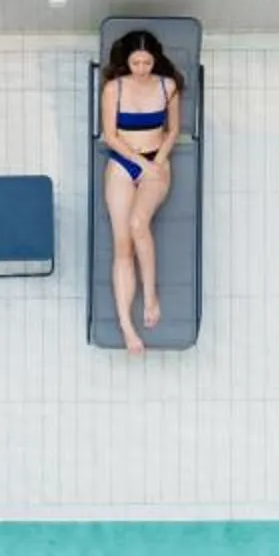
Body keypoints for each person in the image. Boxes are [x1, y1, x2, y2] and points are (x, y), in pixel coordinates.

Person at [99, 30, 188, 355]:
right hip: (124, 161)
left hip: (157, 160)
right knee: (122, 245)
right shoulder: (114, 88)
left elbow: (173, 129)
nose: (140, 68)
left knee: (139, 225)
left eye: (146, 62)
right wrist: (139, 163)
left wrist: (158, 161)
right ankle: (127, 325)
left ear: (155, 59)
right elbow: (110, 135)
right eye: (135, 62)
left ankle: (150, 296)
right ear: (126, 61)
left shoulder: (168, 86)